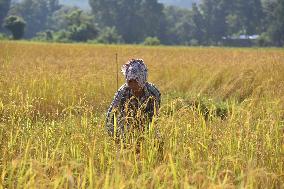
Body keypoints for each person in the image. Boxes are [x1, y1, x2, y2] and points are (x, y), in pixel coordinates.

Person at [106, 59, 161, 140]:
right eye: (130, 81)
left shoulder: (153, 93)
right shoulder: (122, 93)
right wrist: (114, 136)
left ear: (143, 79)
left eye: (136, 81)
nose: (133, 85)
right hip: (126, 128)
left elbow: (154, 118)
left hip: (147, 127)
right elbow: (111, 116)